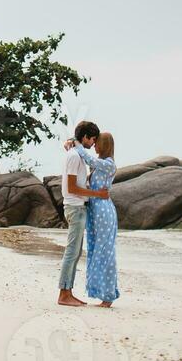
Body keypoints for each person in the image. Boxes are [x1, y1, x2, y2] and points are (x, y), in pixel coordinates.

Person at [57, 120, 109, 308]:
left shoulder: (77, 154)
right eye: (92, 139)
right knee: (72, 252)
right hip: (75, 207)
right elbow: (72, 187)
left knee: (76, 251)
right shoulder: (74, 156)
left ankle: (67, 291)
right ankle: (64, 293)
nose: (94, 144)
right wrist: (97, 194)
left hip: (77, 207)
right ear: (85, 137)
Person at [68, 131, 120, 307]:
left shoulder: (109, 164)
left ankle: (108, 296)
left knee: (105, 251)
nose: (95, 145)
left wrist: (77, 144)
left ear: (104, 144)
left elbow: (89, 160)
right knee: (95, 249)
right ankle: (102, 292)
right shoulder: (101, 165)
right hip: (95, 210)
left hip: (104, 211)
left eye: (97, 142)